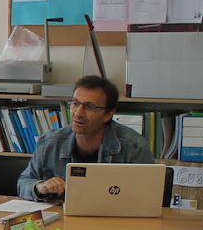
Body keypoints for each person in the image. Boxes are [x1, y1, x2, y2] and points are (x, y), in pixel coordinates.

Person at [17, 75, 153, 201]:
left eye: (89, 107)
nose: (78, 113)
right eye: (75, 103)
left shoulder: (134, 147)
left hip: (114, 221)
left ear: (108, 114)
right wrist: (39, 187)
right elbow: (23, 182)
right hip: (64, 220)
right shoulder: (49, 142)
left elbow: (149, 195)